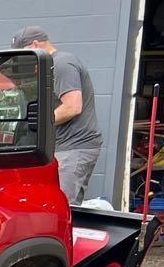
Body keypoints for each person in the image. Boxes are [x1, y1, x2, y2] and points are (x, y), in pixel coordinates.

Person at [13, 26, 100, 204]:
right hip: (62, 147)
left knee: (63, 205)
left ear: (35, 44)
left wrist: (37, 123)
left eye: (23, 53)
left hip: (75, 147)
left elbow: (72, 106)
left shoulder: (61, 64)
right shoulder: (49, 66)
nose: (22, 59)